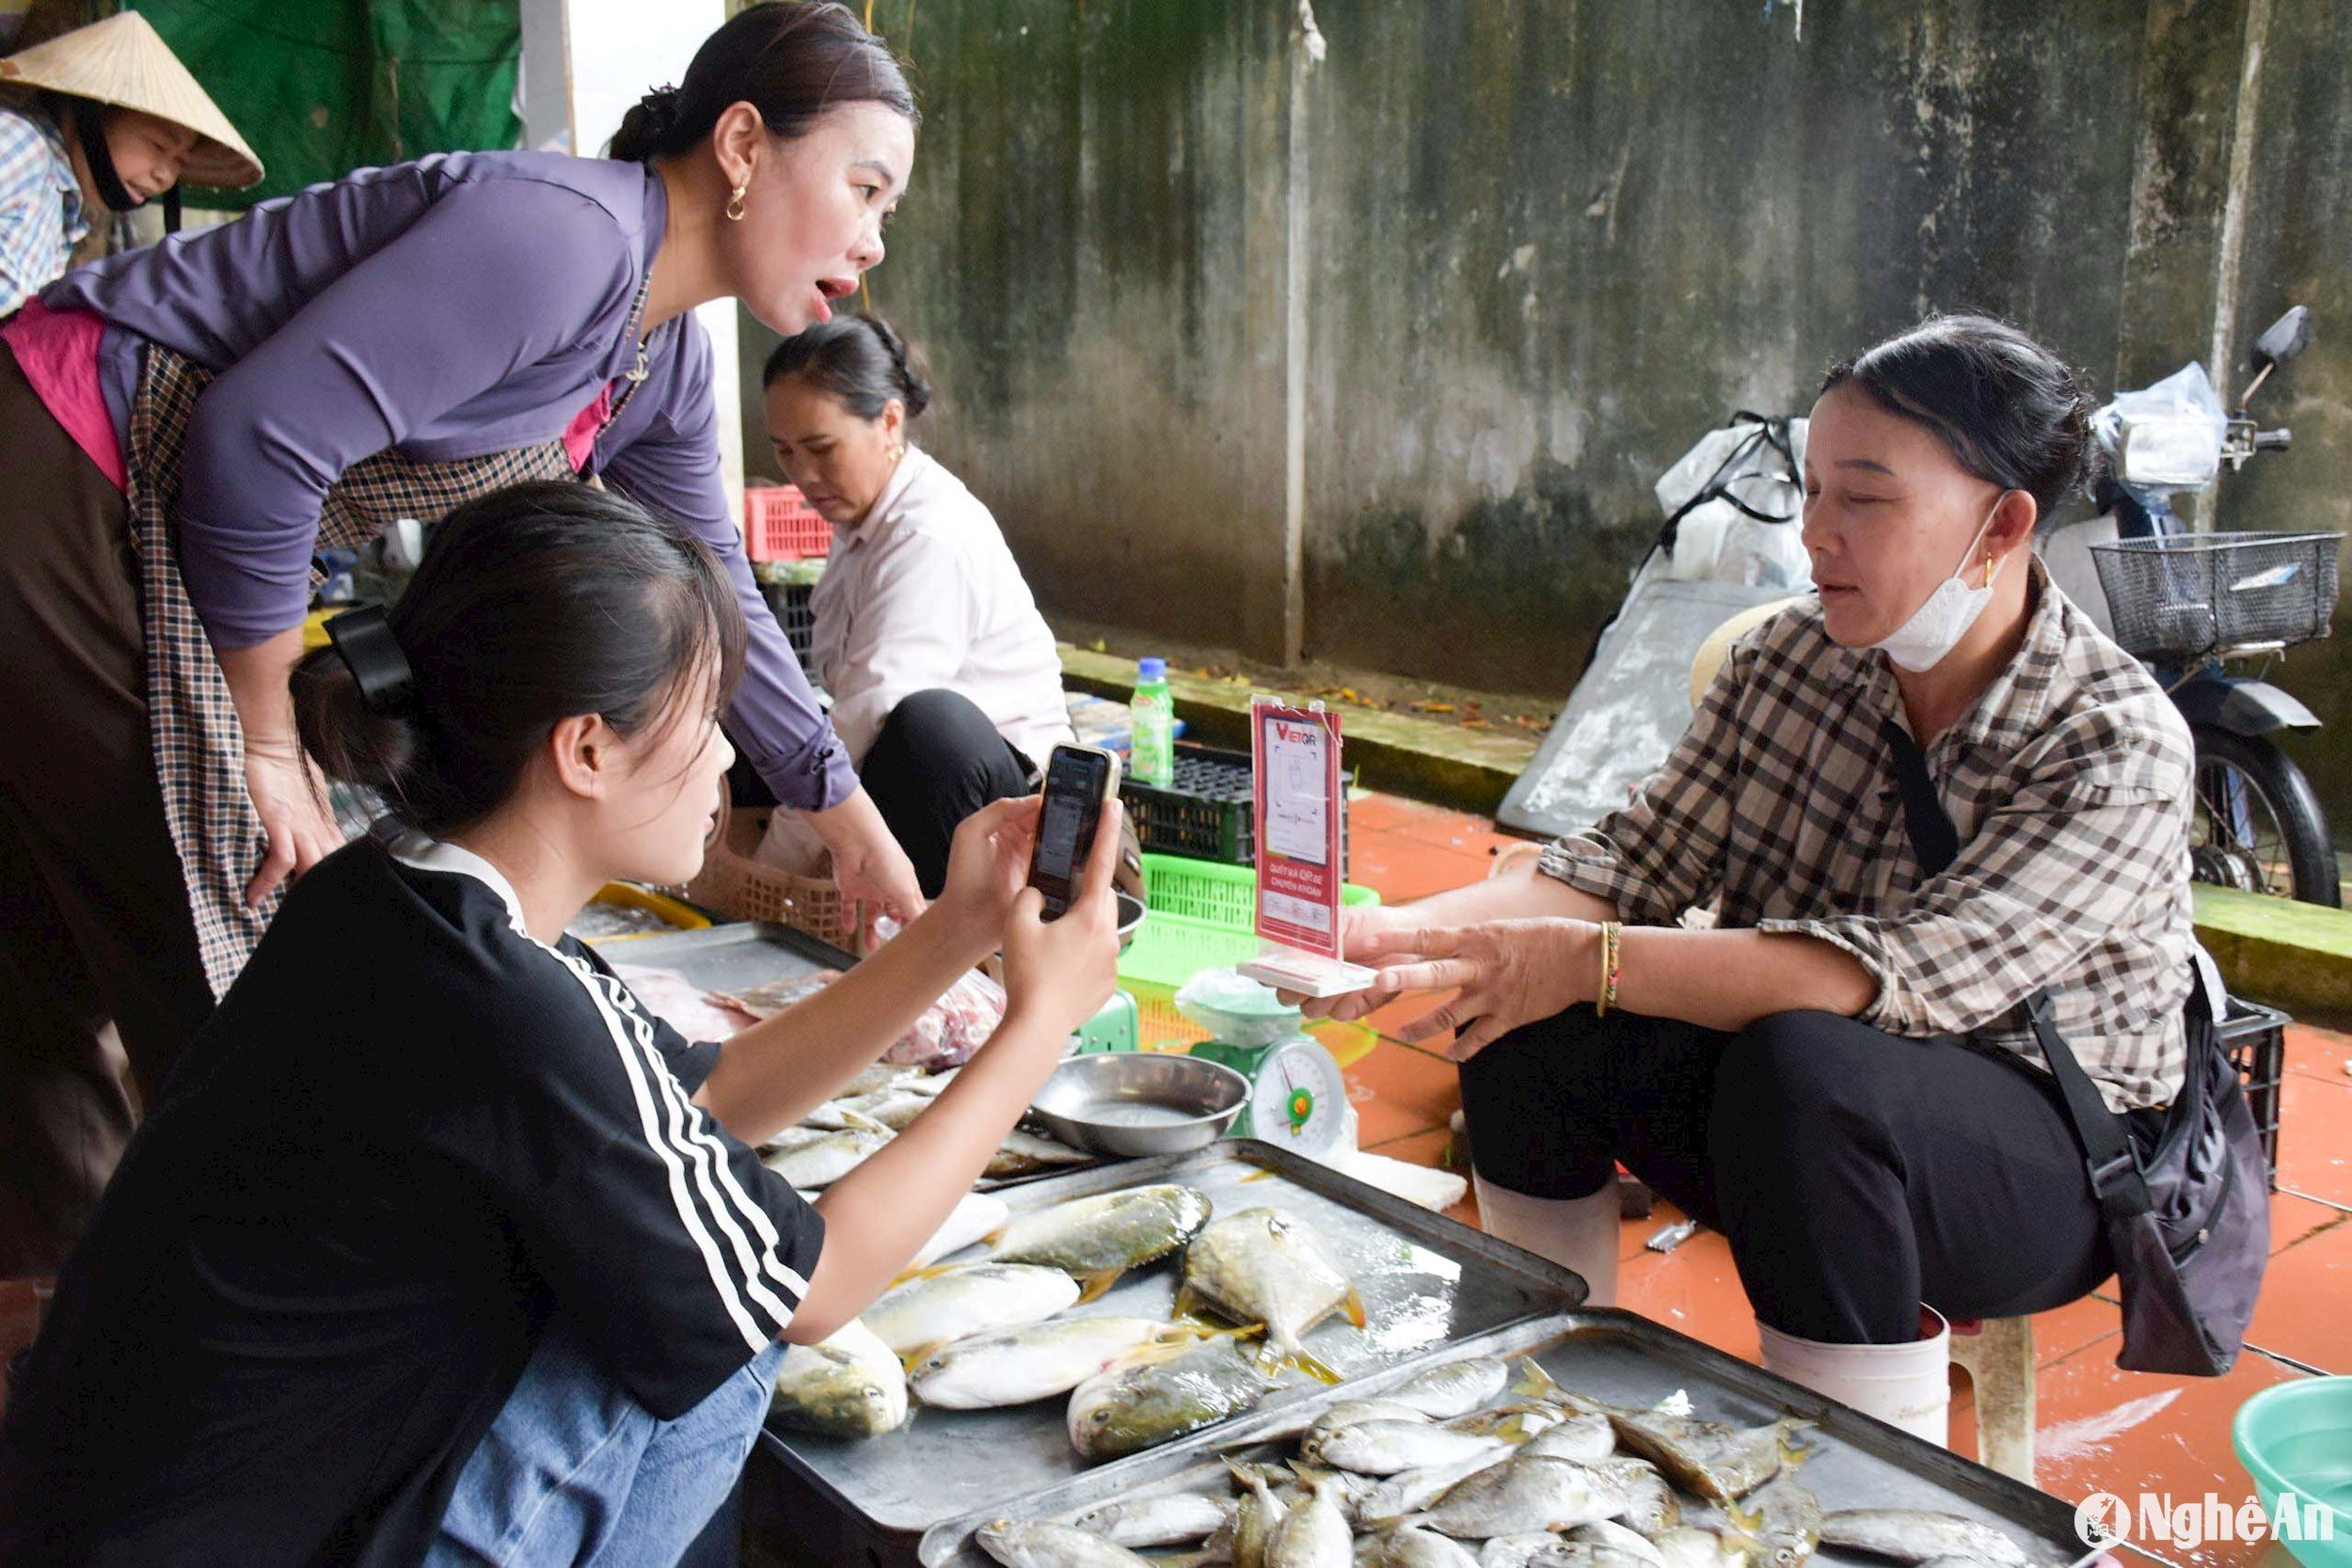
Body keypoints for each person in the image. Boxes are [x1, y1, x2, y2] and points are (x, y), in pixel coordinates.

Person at [0, 482, 1124, 1566]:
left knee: (693, 1242)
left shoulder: (396, 900)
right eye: (705, 723)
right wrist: (1036, 1027)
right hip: (267, 1535)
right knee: (724, 1316)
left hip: (105, 1510)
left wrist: (958, 929)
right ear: (586, 748)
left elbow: (703, 1095)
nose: (729, 761)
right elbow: (813, 1290)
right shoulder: (507, 1005)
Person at [0, 0, 930, 1279]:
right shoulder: (563, 236)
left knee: (44, 975)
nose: (871, 243)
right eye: (865, 187)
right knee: (233, 933)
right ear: (741, 145)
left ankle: (59, 1345)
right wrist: (268, 745)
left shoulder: (656, 356)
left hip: (133, 528)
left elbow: (718, 591)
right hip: (57, 472)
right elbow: (258, 440)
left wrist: (854, 826)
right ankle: (269, 1333)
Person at [1303, 315, 2201, 1440]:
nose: (1816, 532)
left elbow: (1899, 977)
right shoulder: (1789, 657)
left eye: (1864, 497)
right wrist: (1398, 933)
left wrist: (1582, 960)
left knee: (1801, 1058)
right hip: (1790, 1119)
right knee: (1522, 1013)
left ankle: (1864, 1482)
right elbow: (1632, 860)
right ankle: (1537, 1390)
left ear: (2001, 522)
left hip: (2039, 1165)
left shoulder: (2111, 738)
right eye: (1813, 487)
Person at [762, 311, 1076, 893]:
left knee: (927, 725)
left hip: (1012, 813)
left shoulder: (927, 534)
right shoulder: (861, 519)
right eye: (784, 452)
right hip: (912, 783)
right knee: (758, 724)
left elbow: (869, 708)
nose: (803, 474)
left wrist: (773, 866)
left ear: (888, 421)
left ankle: (934, 939)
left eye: (821, 448)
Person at [0, 11, 260, 311]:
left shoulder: (61, 213)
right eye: (158, 145)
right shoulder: (24, 147)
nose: (166, 177)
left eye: (179, 162)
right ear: (92, 110)